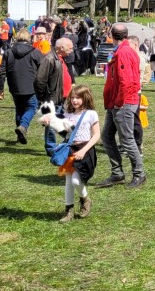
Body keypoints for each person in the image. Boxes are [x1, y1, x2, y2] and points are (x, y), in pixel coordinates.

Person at [97, 24, 147, 188]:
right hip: (117, 102)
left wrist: (119, 102)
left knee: (127, 140)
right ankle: (117, 173)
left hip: (123, 102)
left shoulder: (124, 52)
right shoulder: (122, 51)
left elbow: (126, 82)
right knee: (107, 136)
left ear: (112, 35)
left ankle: (139, 174)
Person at [57, 84, 101, 223]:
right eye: (72, 98)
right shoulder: (67, 114)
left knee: (76, 181)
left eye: (78, 98)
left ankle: (85, 199)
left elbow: (96, 135)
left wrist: (83, 150)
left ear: (85, 98)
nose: (74, 100)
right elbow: (63, 132)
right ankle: (69, 210)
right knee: (69, 181)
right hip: (71, 150)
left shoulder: (91, 114)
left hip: (85, 150)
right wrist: (50, 123)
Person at [0, 29, 41, 141]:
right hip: (31, 86)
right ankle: (23, 126)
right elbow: (42, 69)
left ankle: (20, 134)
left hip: (14, 86)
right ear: (29, 38)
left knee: (19, 109)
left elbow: (2, 72)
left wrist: (0, 89)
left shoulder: (8, 52)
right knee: (32, 107)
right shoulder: (35, 52)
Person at [35, 38, 75, 111]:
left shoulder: (61, 58)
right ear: (62, 48)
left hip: (64, 99)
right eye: (70, 48)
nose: (72, 50)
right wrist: (43, 97)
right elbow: (40, 80)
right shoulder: (49, 58)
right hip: (54, 100)